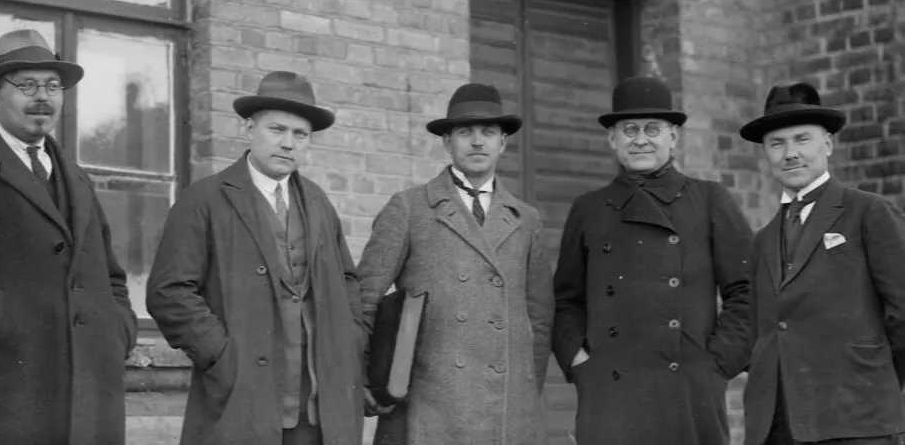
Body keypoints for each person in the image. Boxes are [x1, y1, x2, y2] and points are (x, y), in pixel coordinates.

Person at [0, 29, 138, 445]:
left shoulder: (80, 182)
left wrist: (117, 331)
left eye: (53, 86)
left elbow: (112, 278)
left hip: (86, 397)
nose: (43, 97)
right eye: (27, 84)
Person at [146, 71, 364, 445]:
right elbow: (169, 292)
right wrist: (222, 356)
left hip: (318, 408)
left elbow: (348, 282)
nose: (288, 143)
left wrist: (347, 343)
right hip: (240, 401)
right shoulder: (205, 199)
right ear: (249, 129)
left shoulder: (318, 203)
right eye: (276, 129)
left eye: (300, 134)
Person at [552, 75, 753, 445]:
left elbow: (747, 290)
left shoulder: (709, 200)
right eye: (628, 129)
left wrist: (718, 363)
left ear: (673, 136)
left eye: (652, 129)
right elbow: (566, 299)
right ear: (612, 139)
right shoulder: (589, 208)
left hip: (687, 389)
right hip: (610, 393)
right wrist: (580, 362)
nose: (640, 139)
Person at [357, 82, 552, 445]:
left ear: (503, 143)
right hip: (429, 407)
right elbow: (364, 297)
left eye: (488, 132)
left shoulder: (526, 220)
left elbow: (539, 319)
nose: (477, 142)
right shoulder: (410, 208)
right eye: (465, 132)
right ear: (448, 142)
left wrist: (524, 389)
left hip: (507, 410)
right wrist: (364, 378)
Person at [740, 83, 905, 445]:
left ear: (827, 144)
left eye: (802, 139)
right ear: (766, 153)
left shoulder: (868, 213)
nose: (790, 154)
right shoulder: (764, 239)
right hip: (779, 423)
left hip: (856, 419)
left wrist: (873, 381)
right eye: (777, 144)